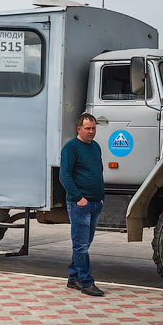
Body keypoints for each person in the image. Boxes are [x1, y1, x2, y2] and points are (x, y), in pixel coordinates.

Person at [60, 112, 105, 297]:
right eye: (88, 128)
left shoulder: (95, 147)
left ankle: (73, 278)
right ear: (79, 129)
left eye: (93, 128)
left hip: (95, 203)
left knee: (85, 243)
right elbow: (64, 175)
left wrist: (101, 197)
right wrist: (78, 197)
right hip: (80, 204)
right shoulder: (71, 148)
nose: (91, 132)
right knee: (80, 246)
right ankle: (86, 282)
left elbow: (99, 172)